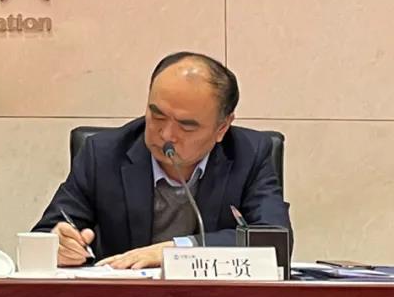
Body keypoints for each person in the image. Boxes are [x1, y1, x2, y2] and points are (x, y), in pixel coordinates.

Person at [33, 52, 291, 269]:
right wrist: (58, 245)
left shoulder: (250, 154)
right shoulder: (103, 154)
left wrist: (179, 250)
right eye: (157, 116)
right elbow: (43, 236)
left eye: (186, 126)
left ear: (222, 127)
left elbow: (274, 240)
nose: (166, 135)